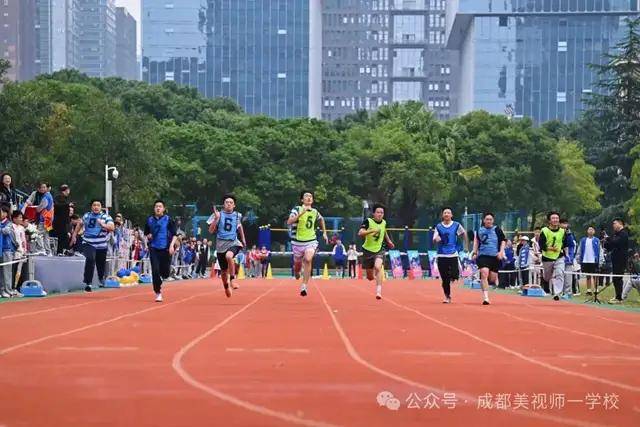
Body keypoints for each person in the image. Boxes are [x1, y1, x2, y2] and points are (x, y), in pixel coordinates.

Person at [286, 191, 328, 297]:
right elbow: (289, 222)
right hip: (297, 242)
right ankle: (297, 271)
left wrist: (324, 233)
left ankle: (304, 286)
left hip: (310, 241)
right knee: (297, 267)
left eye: (310, 196)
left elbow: (321, 219)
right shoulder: (297, 209)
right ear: (302, 200)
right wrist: (301, 213)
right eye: (306, 196)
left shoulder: (315, 211)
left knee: (308, 259)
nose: (309, 198)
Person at [71, 200, 115, 292]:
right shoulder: (87, 215)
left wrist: (103, 224)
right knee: (90, 259)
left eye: (98, 205)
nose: (96, 207)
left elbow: (112, 227)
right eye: (94, 205)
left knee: (100, 264)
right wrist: (74, 235)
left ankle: (101, 278)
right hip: (88, 242)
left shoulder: (106, 217)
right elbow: (80, 224)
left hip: (101, 244)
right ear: (91, 207)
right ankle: (88, 283)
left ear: (101, 207)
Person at [208, 194, 247, 297]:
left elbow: (240, 227)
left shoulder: (238, 215)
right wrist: (216, 219)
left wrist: (243, 239)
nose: (229, 204)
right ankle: (226, 286)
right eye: (227, 202)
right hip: (221, 245)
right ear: (223, 204)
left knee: (229, 256)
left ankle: (233, 279)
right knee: (224, 271)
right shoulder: (218, 215)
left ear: (234, 205)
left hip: (233, 242)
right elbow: (210, 230)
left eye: (231, 202)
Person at [358, 203, 395, 300]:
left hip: (379, 249)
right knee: (370, 277)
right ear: (373, 213)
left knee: (378, 267)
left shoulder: (384, 222)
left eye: (382, 213)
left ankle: (378, 291)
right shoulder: (368, 221)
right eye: (378, 212)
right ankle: (377, 278)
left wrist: (389, 241)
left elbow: (384, 231)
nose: (380, 214)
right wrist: (371, 231)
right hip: (367, 250)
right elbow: (360, 233)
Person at [432, 207, 468, 304]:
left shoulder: (456, 225)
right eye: (445, 213)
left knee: (455, 274)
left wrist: (465, 246)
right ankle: (447, 296)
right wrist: (436, 239)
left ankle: (452, 277)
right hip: (441, 255)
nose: (446, 214)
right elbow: (434, 238)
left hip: (453, 254)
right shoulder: (439, 226)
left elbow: (464, 233)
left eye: (448, 213)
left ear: (451, 215)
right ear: (442, 215)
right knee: (444, 278)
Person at [144, 200, 178, 302]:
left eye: (160, 206)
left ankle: (165, 275)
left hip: (165, 249)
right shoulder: (149, 220)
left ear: (163, 209)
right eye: (156, 206)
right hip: (154, 248)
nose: (158, 208)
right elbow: (146, 233)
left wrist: (171, 246)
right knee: (155, 270)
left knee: (165, 273)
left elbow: (175, 234)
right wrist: (148, 236)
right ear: (154, 208)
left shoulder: (168, 219)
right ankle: (158, 292)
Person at [472, 212, 506, 305]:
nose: (489, 221)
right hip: (483, 256)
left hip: (495, 256)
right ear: (484, 220)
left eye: (490, 219)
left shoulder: (497, 229)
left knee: (492, 279)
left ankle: (492, 282)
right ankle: (486, 297)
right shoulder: (480, 230)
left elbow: (503, 241)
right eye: (487, 219)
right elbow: (476, 242)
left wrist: (501, 252)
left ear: (493, 220)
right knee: (484, 273)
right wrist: (474, 252)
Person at [539, 212, 569, 301]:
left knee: (560, 273)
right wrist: (551, 248)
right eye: (553, 218)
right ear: (549, 221)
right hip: (547, 257)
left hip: (559, 256)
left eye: (557, 218)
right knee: (547, 277)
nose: (555, 220)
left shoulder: (562, 231)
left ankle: (557, 293)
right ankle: (545, 284)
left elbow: (565, 244)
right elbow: (541, 245)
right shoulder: (544, 230)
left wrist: (567, 255)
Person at [603, 218, 629, 304]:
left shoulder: (624, 233)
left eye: (614, 223)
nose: (613, 225)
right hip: (615, 259)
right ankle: (618, 296)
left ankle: (619, 297)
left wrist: (609, 239)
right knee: (615, 278)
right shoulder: (615, 235)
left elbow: (617, 243)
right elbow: (610, 246)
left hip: (621, 259)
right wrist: (606, 242)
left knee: (618, 278)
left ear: (620, 224)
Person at [25, 182, 54, 255]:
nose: (43, 189)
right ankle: (48, 251)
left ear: (47, 188)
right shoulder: (50, 196)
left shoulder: (46, 196)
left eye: (44, 187)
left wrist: (37, 208)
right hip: (49, 218)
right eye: (42, 187)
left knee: (38, 233)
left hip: (44, 218)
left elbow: (40, 208)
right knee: (46, 235)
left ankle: (41, 249)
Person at [577, 226, 600, 296]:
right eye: (589, 229)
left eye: (592, 229)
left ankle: (596, 289)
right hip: (585, 260)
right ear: (587, 231)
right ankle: (588, 290)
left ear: (594, 231)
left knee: (595, 276)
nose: (591, 231)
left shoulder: (597, 240)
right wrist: (578, 258)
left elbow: (600, 250)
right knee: (588, 276)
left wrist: (600, 260)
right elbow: (579, 249)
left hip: (594, 260)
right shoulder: (583, 240)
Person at [560, 218, 579, 297]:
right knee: (559, 276)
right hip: (558, 258)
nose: (564, 226)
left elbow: (572, 247)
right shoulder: (557, 233)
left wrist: (570, 257)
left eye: (565, 224)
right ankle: (558, 292)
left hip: (568, 259)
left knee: (568, 276)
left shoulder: (570, 235)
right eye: (562, 224)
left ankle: (567, 292)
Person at [0, 205, 15, 298]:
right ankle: (2, 290)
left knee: (7, 271)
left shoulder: (9, 223)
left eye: (1, 212)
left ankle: (8, 290)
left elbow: (6, 231)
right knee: (1, 271)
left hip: (6, 250)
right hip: (0, 250)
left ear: (5, 213)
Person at [53, 184, 72, 255]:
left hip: (65, 220)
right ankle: (60, 251)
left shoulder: (66, 198)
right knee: (61, 236)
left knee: (64, 235)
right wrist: (67, 205)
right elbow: (57, 206)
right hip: (59, 220)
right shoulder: (58, 197)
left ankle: (63, 250)